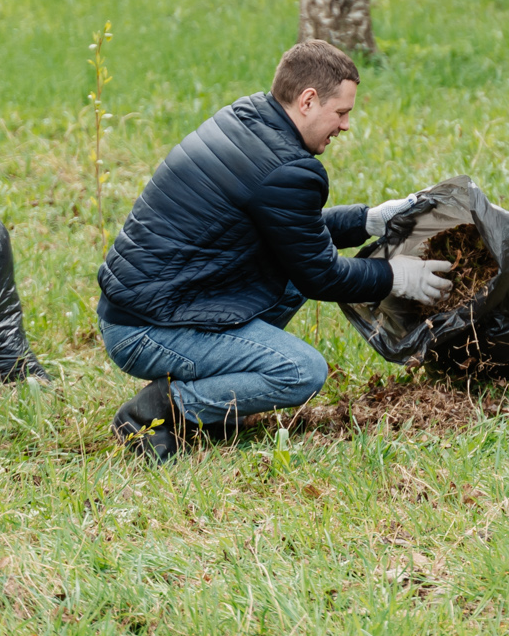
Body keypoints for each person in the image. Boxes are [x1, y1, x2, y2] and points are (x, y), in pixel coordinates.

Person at [98, 40, 452, 460]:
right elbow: (320, 274)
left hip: (151, 305)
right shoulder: (286, 169)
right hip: (146, 330)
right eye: (341, 112)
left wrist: (369, 219)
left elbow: (293, 232)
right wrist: (399, 277)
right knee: (301, 371)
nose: (345, 126)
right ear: (307, 101)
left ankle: (214, 398)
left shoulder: (250, 118)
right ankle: (161, 411)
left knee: (288, 280)